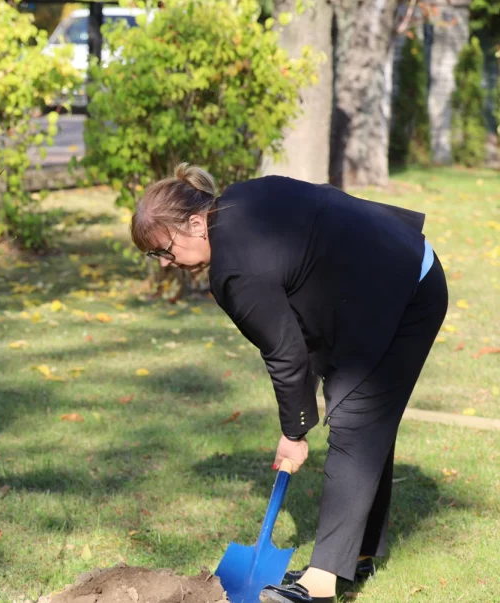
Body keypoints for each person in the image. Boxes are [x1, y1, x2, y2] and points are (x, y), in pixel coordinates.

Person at [131, 165, 447, 603]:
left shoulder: (232, 272)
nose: (166, 264)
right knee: (366, 416)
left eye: (165, 250)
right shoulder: (241, 201)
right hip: (393, 270)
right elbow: (301, 306)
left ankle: (320, 584)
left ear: (196, 223)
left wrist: (294, 432)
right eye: (155, 257)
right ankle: (356, 555)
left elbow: (284, 353)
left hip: (404, 288)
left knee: (356, 417)